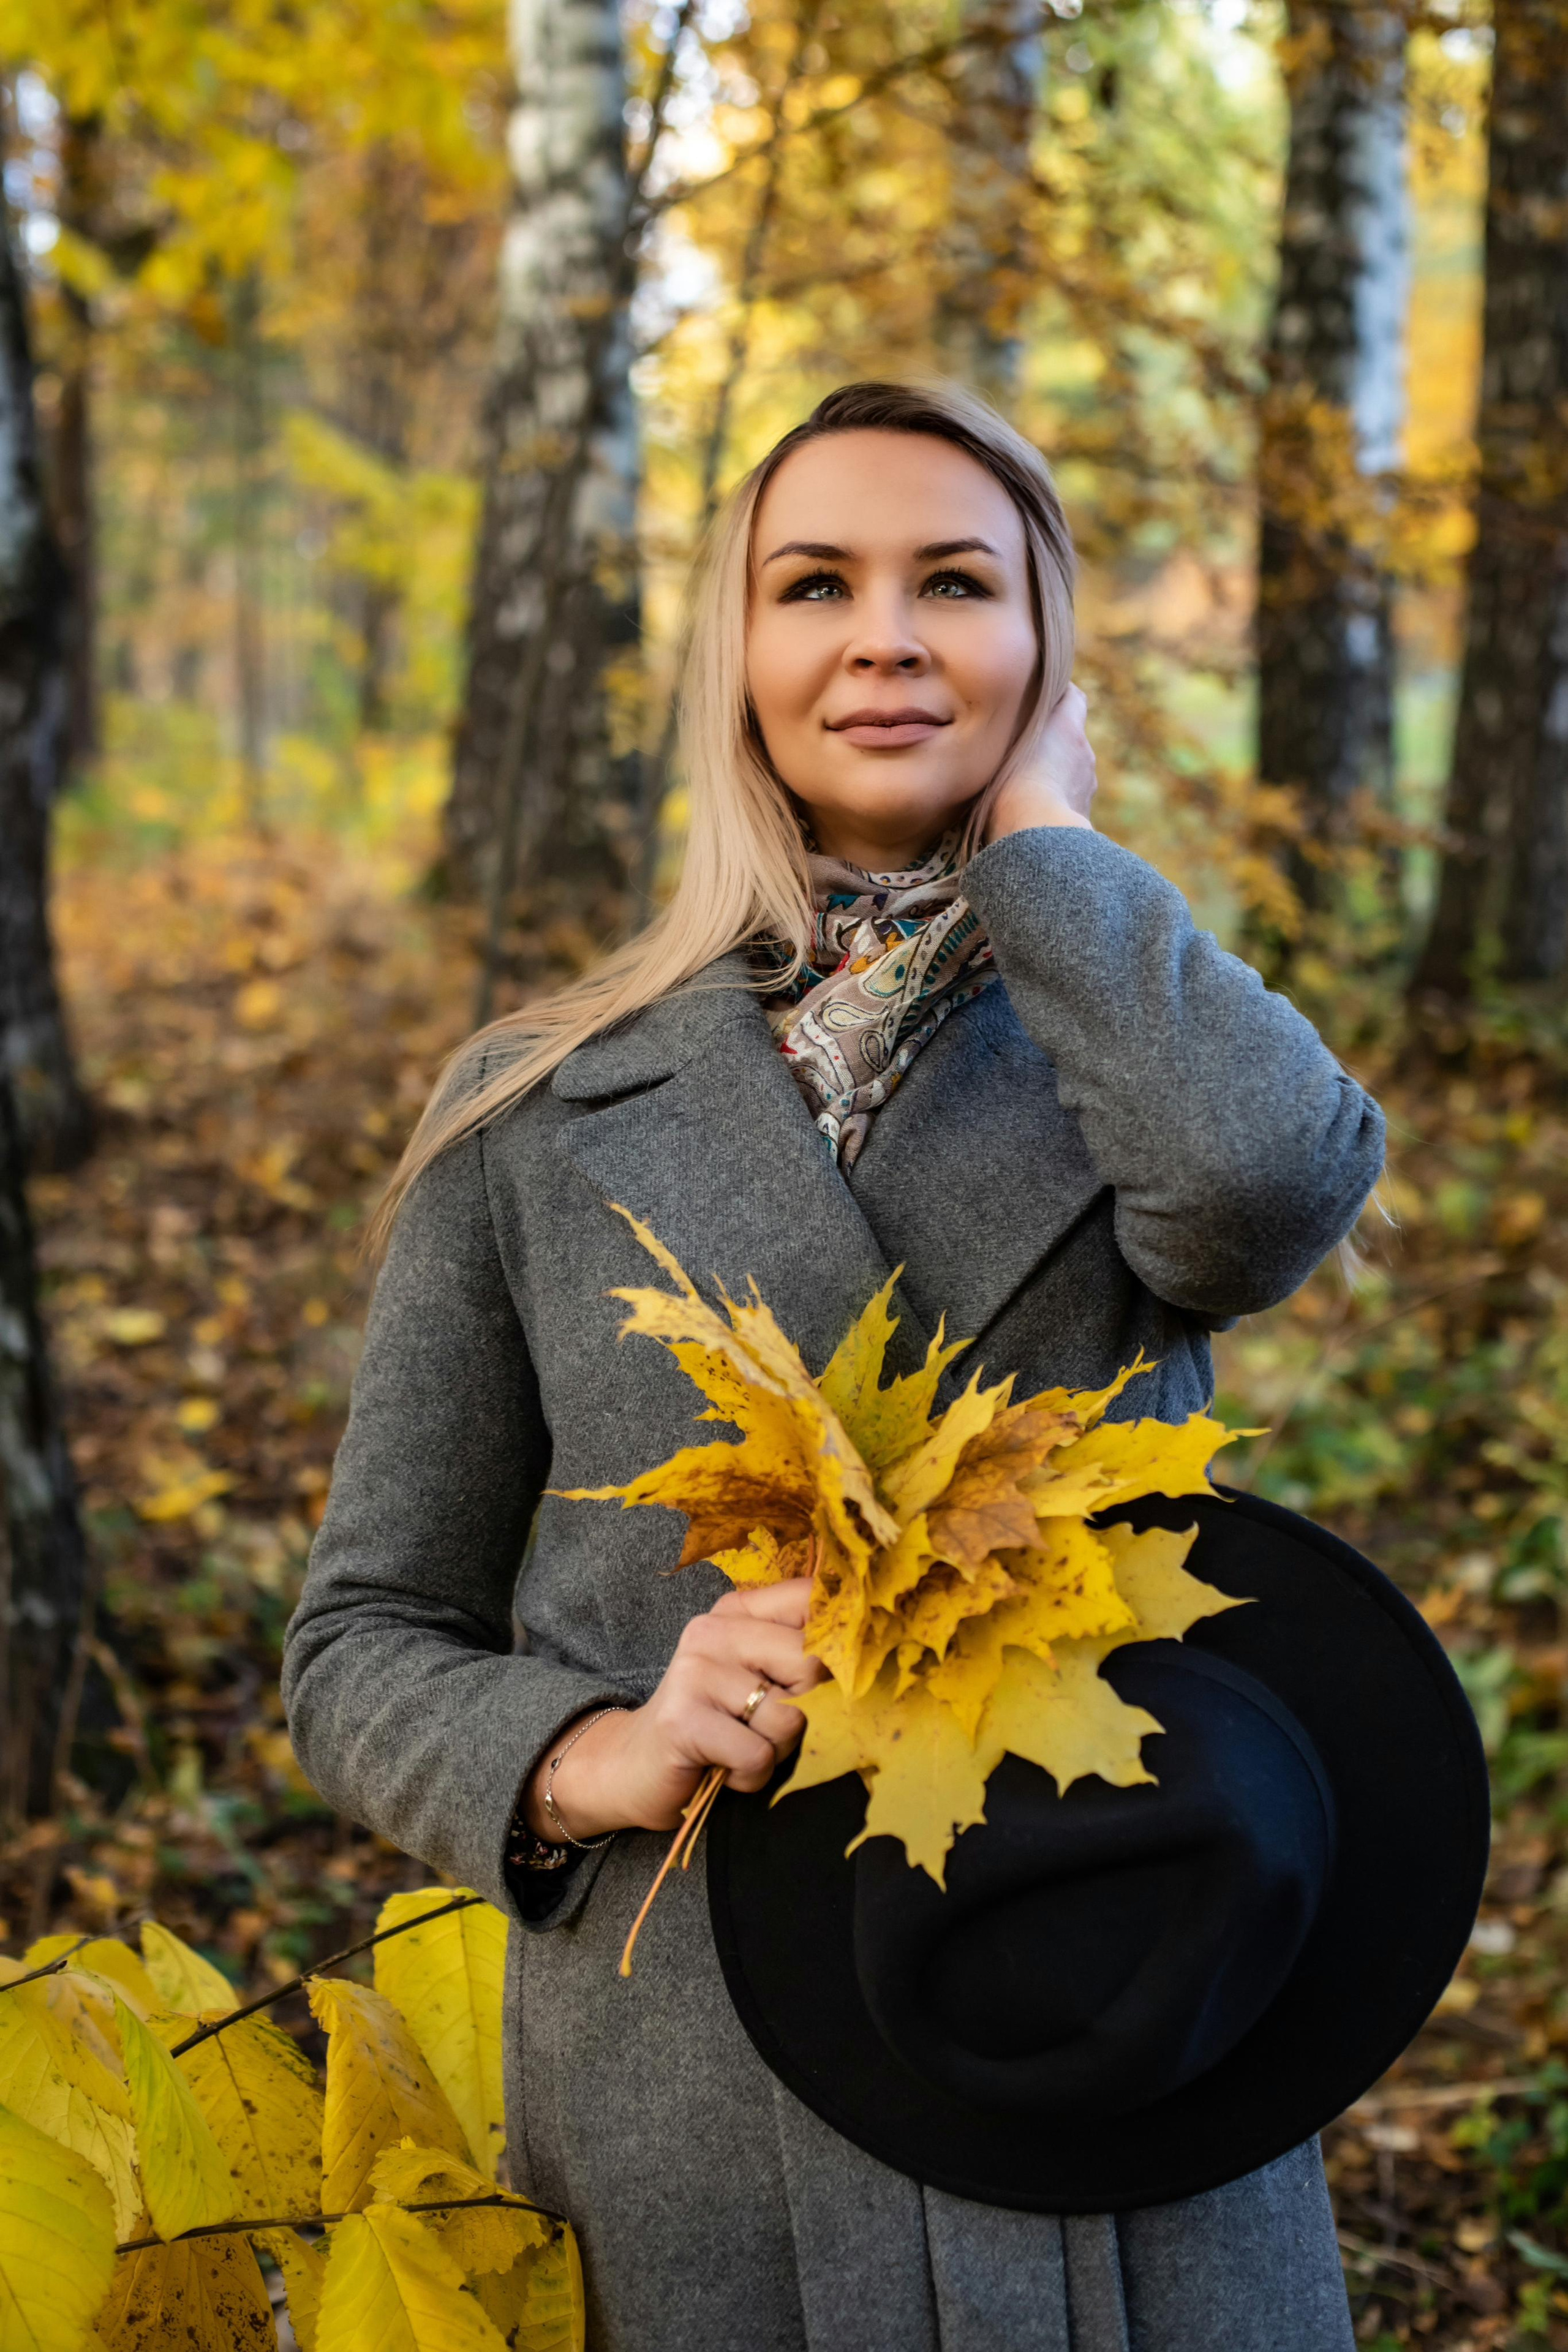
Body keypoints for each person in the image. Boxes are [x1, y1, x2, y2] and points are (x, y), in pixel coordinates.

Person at [283, 380, 1384, 2350]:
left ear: (1045, 653)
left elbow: (1257, 1186)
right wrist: (591, 1753)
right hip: (701, 2085)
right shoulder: (536, 1111)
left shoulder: (1135, 1051)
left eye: (956, 582)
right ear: (741, 662)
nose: (883, 633)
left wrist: (1048, 847)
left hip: (1112, 2035)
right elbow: (363, 1637)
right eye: (816, 585)